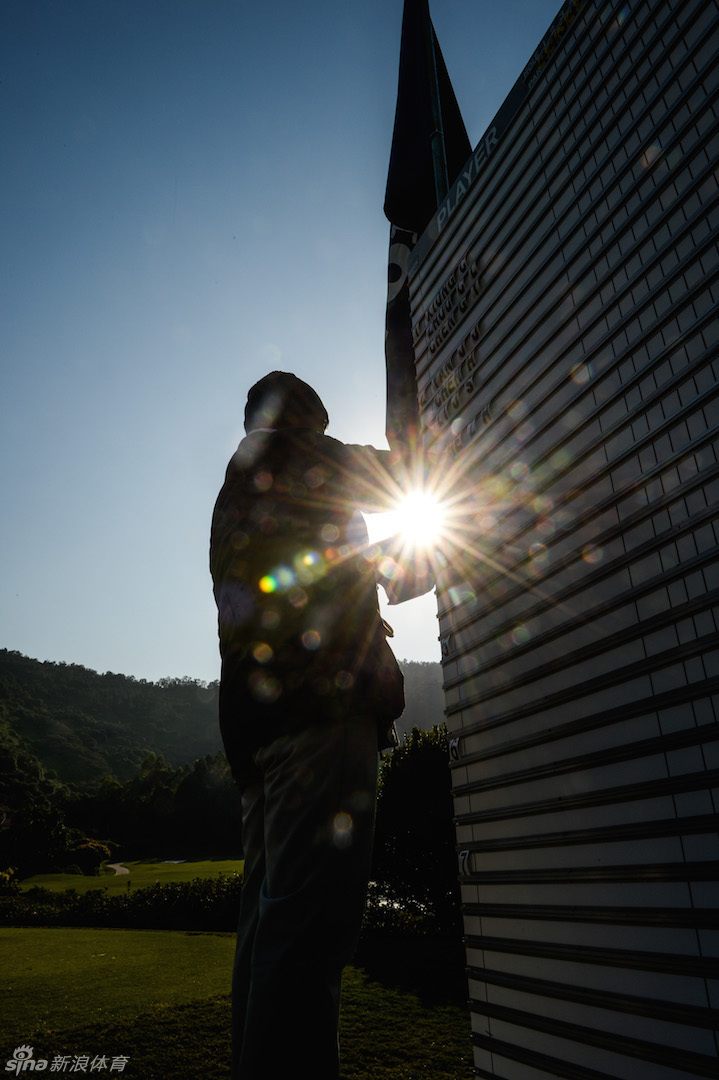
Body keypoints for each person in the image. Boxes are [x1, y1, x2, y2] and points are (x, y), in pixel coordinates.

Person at [209, 371, 419, 1079]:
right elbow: (404, 470)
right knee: (308, 936)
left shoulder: (244, 484)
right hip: (317, 721)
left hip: (257, 733)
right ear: (303, 420)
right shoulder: (300, 458)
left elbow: (327, 570)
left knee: (269, 932)